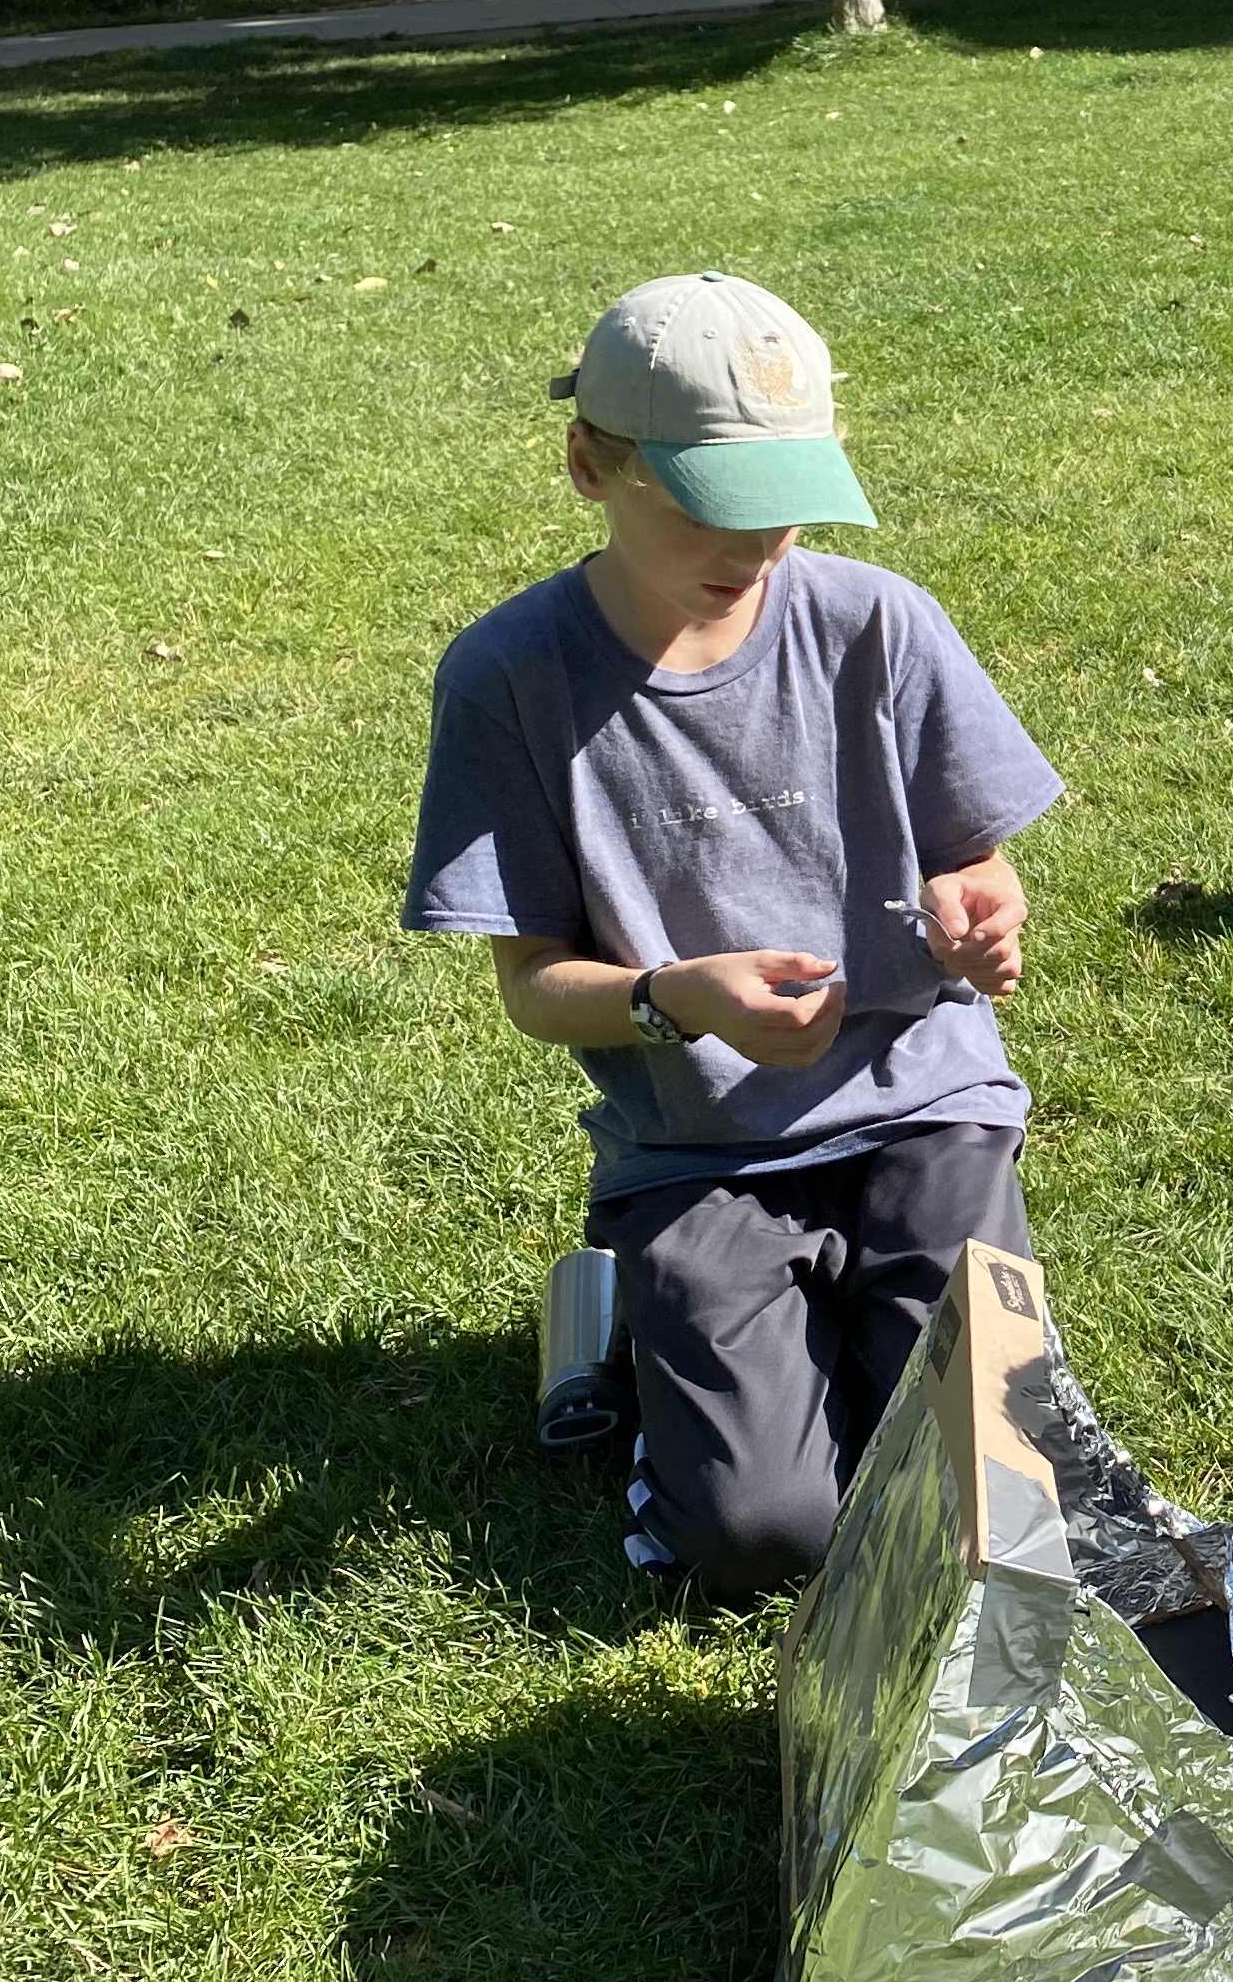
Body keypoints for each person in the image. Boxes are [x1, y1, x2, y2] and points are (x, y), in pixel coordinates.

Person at [403, 272, 1063, 1595]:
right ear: (589, 463)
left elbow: (972, 855)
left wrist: (981, 904)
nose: (759, 548)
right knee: (765, 1536)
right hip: (697, 1147)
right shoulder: (511, 677)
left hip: (924, 1101)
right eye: (714, 505)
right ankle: (629, 1335)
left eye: (786, 506)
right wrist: (675, 999)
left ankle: (749, 1331)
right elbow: (535, 986)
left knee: (986, 1487)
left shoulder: (877, 621)